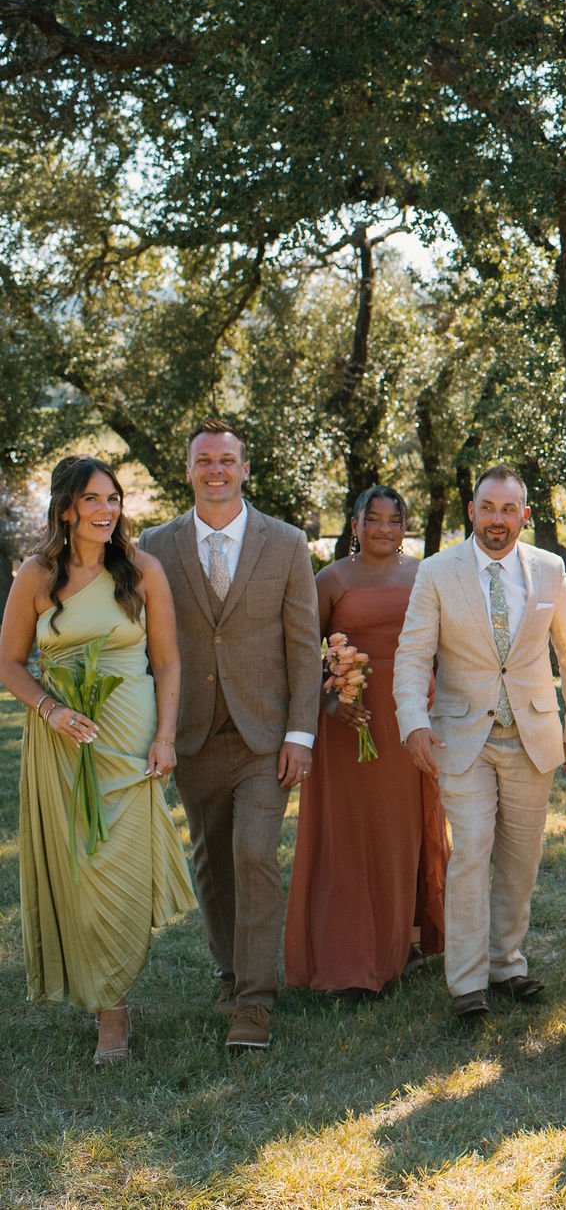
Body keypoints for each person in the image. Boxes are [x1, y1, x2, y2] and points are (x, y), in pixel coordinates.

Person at [1, 457, 195, 1064]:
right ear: (66, 509)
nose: (107, 510)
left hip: (131, 741)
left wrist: (164, 737)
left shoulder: (142, 572)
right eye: (93, 499)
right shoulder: (36, 575)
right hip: (64, 740)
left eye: (113, 499)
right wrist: (51, 711)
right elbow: (8, 663)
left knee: (124, 867)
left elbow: (166, 662)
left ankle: (114, 991)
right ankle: (110, 1008)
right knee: (80, 868)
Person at [138, 420, 321, 1050]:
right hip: (190, 732)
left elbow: (304, 647)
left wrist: (301, 733)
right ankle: (228, 974)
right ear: (187, 470)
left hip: (264, 735)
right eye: (203, 460)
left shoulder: (287, 542)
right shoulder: (153, 547)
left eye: (227, 460)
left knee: (253, 854)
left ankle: (255, 1002)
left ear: (245, 469)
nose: (215, 470)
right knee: (213, 862)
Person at [393, 465, 566, 1020]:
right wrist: (413, 721)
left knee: (520, 857)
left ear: (524, 515)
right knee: (473, 849)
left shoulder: (550, 570)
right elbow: (412, 655)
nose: (498, 519)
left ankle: (506, 964)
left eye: (509, 510)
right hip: (462, 736)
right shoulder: (437, 572)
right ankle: (466, 983)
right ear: (472, 511)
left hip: (531, 734)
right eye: (488, 508)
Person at [284, 486, 448, 998]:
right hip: (348, 725)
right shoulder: (330, 580)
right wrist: (331, 703)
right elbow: (302, 653)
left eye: (394, 520)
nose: (383, 528)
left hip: (407, 720)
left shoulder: (425, 574)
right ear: (353, 524)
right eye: (371, 519)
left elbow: (443, 646)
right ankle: (347, 959)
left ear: (405, 526)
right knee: (348, 836)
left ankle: (402, 945)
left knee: (400, 833)